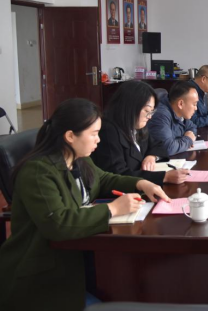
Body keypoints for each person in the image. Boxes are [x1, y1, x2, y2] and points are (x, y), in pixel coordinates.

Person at [0, 98, 170, 311]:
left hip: (75, 258)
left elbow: (103, 179)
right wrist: (112, 209)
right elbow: (58, 224)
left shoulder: (78, 157)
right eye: (94, 133)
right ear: (70, 136)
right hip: (40, 275)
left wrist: (141, 183)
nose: (98, 140)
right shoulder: (38, 172)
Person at [92, 81, 189, 186]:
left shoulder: (136, 126)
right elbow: (117, 175)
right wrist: (164, 177)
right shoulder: (108, 131)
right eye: (147, 111)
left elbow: (158, 144)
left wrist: (152, 156)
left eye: (151, 112)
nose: (150, 116)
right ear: (131, 106)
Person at [147, 81, 199, 156]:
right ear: (180, 104)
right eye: (194, 104)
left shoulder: (180, 112)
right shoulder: (161, 115)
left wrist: (185, 139)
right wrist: (188, 140)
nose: (196, 108)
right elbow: (167, 148)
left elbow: (192, 127)